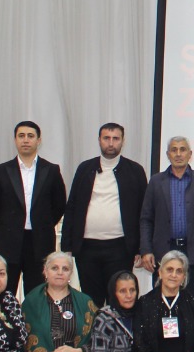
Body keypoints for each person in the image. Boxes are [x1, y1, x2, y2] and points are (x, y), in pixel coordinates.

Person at [62, 122, 147, 310]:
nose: (111, 143)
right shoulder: (85, 168)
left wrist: (142, 248)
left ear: (122, 141)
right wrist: (67, 246)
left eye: (115, 138)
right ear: (99, 140)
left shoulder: (135, 171)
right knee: (91, 301)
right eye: (106, 138)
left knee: (119, 298)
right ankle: (94, 330)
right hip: (87, 248)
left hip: (120, 247)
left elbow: (144, 212)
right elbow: (72, 206)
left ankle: (118, 330)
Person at [0, 120, 67, 295]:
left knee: (37, 295)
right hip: (7, 243)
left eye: (30, 136)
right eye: (21, 136)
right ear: (15, 140)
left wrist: (43, 224)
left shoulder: (51, 170)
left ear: (38, 140)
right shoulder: (0, 171)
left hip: (40, 244)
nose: (26, 140)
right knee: (4, 294)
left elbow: (59, 205)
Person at [138, 136, 194, 302]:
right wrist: (146, 250)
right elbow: (146, 219)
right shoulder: (156, 181)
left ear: (190, 154)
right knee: (162, 301)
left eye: (183, 149)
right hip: (163, 252)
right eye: (174, 150)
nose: (178, 154)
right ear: (168, 154)